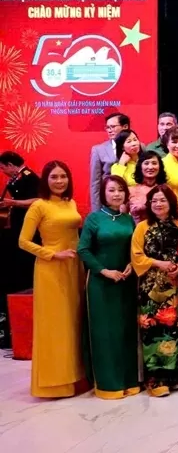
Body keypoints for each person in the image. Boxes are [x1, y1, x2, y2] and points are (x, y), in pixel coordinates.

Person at [19, 161, 84, 397]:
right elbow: (23, 241)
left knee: (74, 323)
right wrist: (53, 254)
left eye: (63, 176)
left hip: (75, 267)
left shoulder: (70, 203)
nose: (59, 181)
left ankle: (76, 377)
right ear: (45, 180)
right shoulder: (39, 205)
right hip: (51, 270)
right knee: (56, 325)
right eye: (54, 177)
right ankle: (55, 383)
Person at [77, 175, 139, 399]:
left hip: (126, 282)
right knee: (105, 333)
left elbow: (135, 248)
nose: (116, 194)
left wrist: (132, 263)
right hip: (101, 284)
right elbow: (83, 250)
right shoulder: (94, 219)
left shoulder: (128, 220)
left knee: (126, 331)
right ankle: (107, 384)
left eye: (120, 190)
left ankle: (129, 380)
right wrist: (104, 271)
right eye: (112, 190)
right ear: (103, 193)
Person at [130, 185, 178, 396]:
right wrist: (159, 264)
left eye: (162, 200)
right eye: (154, 201)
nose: (158, 204)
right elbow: (136, 256)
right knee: (154, 331)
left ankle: (176, 377)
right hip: (151, 288)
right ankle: (156, 381)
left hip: (176, 285)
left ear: (171, 202)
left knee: (177, 329)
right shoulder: (142, 227)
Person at [0, 151, 39, 347]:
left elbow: (37, 200)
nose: (3, 172)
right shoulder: (16, 179)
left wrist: (12, 203)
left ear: (10, 165)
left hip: (29, 230)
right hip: (16, 229)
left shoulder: (29, 177)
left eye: (3, 168)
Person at [90, 112, 129, 210]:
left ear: (125, 127)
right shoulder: (98, 150)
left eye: (113, 127)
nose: (109, 130)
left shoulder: (139, 146)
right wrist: (96, 210)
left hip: (133, 202)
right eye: (107, 127)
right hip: (110, 203)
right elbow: (95, 183)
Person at [129, 151, 167, 224]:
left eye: (154, 163)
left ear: (160, 167)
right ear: (140, 166)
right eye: (146, 163)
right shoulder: (131, 191)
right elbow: (122, 217)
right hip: (136, 230)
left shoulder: (166, 190)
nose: (150, 167)